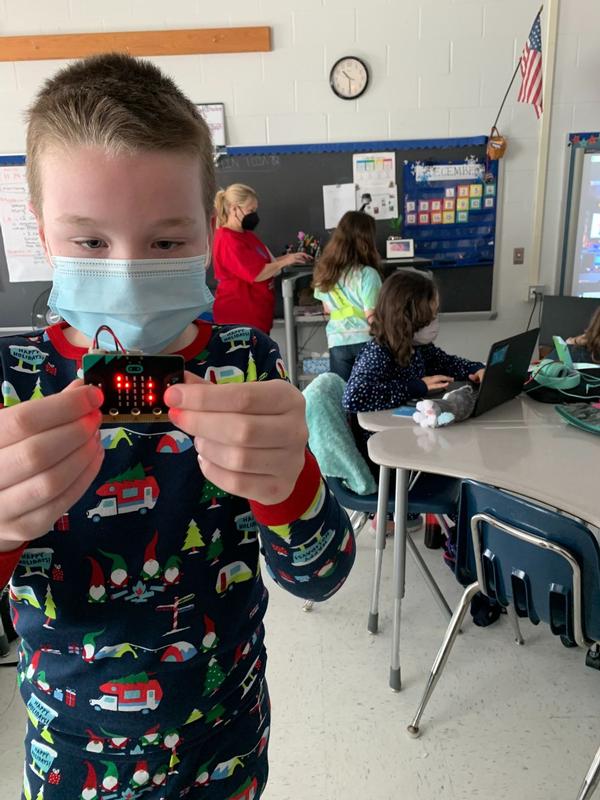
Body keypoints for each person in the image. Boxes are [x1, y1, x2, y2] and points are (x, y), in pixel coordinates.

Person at [0, 53, 354, 800]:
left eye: (165, 243)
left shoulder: (247, 364)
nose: (127, 273)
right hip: (74, 761)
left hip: (226, 743)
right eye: (90, 243)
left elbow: (321, 574)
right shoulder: (13, 388)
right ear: (40, 232)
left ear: (209, 233)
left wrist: (292, 485)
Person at [342, 269, 485, 415]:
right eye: (430, 316)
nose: (435, 322)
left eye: (436, 314)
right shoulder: (379, 351)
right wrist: (417, 386)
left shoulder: (419, 347)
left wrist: (476, 369)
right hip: (383, 430)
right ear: (404, 318)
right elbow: (353, 396)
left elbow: (446, 363)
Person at [212, 184, 312, 334]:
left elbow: (263, 263)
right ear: (234, 209)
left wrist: (290, 257)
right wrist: (285, 261)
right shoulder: (227, 240)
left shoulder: (246, 235)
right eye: (250, 210)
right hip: (240, 318)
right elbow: (257, 273)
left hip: (257, 316)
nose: (254, 215)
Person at [312, 211, 382, 381]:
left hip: (337, 342)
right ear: (366, 240)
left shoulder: (324, 273)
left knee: (343, 395)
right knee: (369, 397)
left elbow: (327, 309)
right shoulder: (367, 274)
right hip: (365, 340)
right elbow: (371, 314)